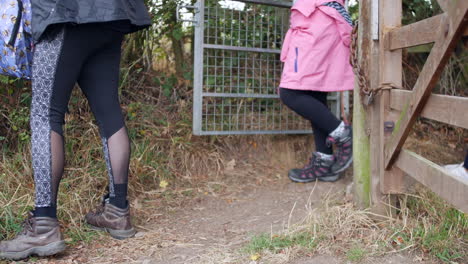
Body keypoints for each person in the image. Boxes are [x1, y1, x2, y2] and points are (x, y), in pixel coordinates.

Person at [0, 0, 151, 260]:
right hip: (114, 14)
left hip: (63, 12)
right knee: (109, 113)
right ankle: (117, 211)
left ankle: (44, 225)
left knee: (45, 114)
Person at [279, 0, 354, 183]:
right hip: (319, 18)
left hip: (316, 18)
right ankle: (325, 163)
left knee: (290, 92)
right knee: (313, 93)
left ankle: (342, 133)